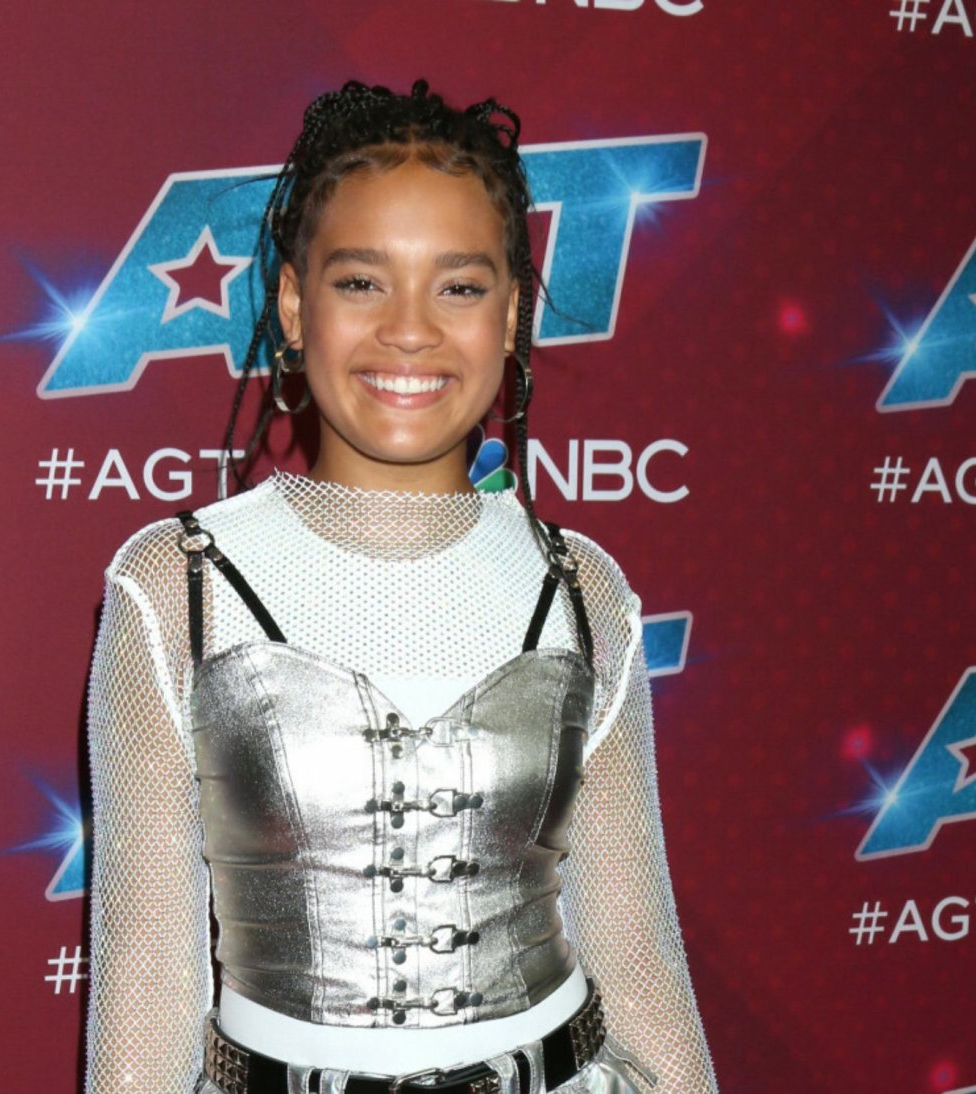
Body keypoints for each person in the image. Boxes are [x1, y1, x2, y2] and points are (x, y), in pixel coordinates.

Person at [84, 79, 716, 1094]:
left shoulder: (581, 589)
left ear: (511, 315)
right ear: (295, 306)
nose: (411, 331)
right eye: (361, 283)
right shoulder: (179, 585)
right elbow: (146, 1001)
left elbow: (639, 964)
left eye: (458, 287)